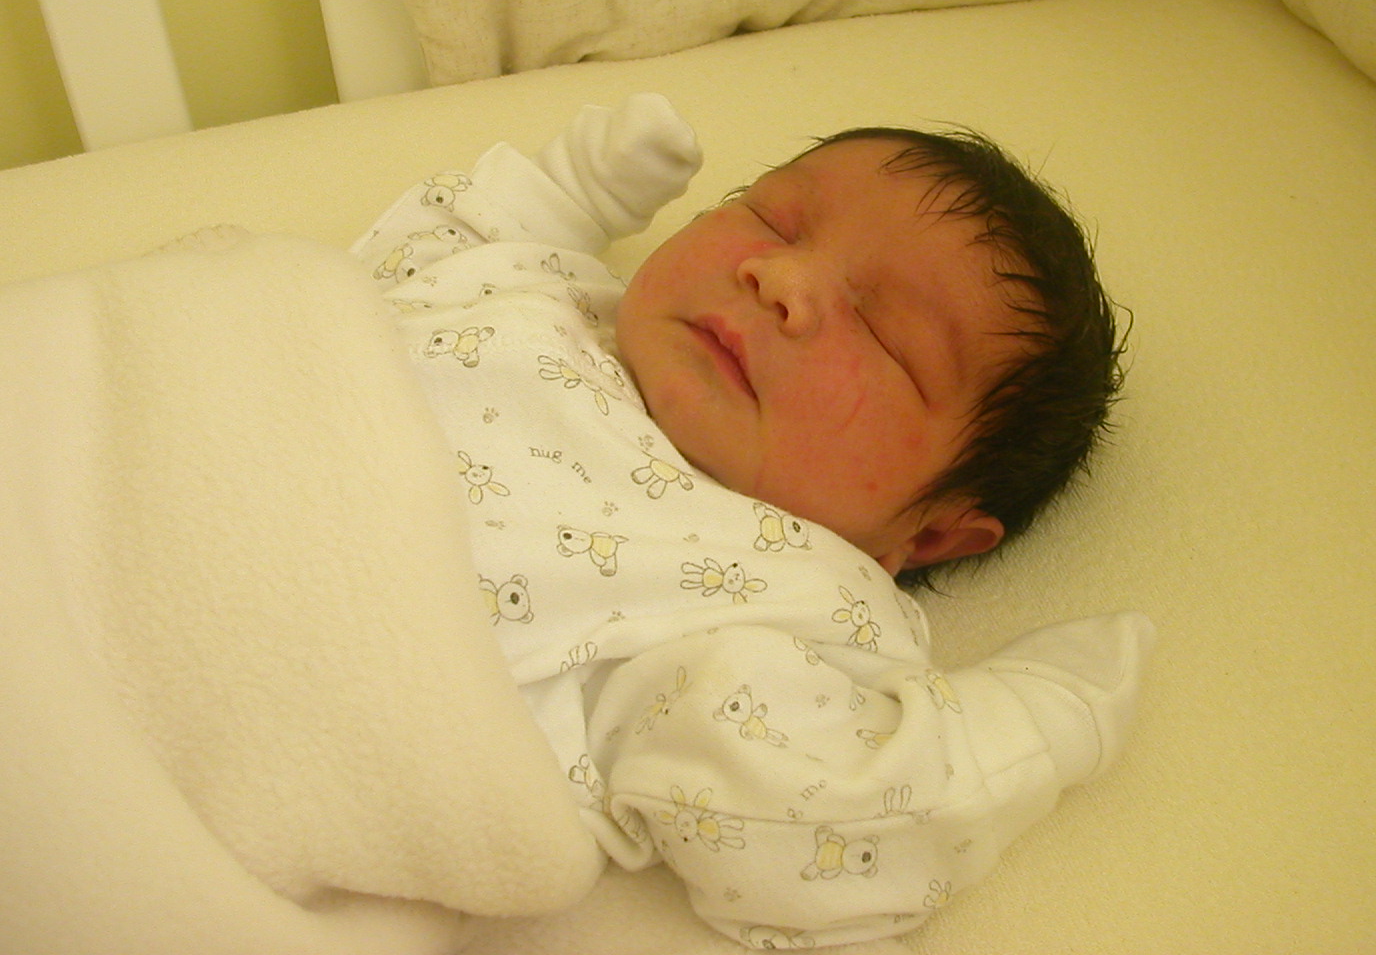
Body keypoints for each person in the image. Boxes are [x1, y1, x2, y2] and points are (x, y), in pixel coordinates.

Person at [353, 93, 1152, 949]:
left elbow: (827, 814)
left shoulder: (766, 594)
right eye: (774, 219)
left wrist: (1031, 727)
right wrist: (567, 194)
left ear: (927, 535)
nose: (781, 278)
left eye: (885, 334)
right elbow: (425, 257)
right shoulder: (562, 295)